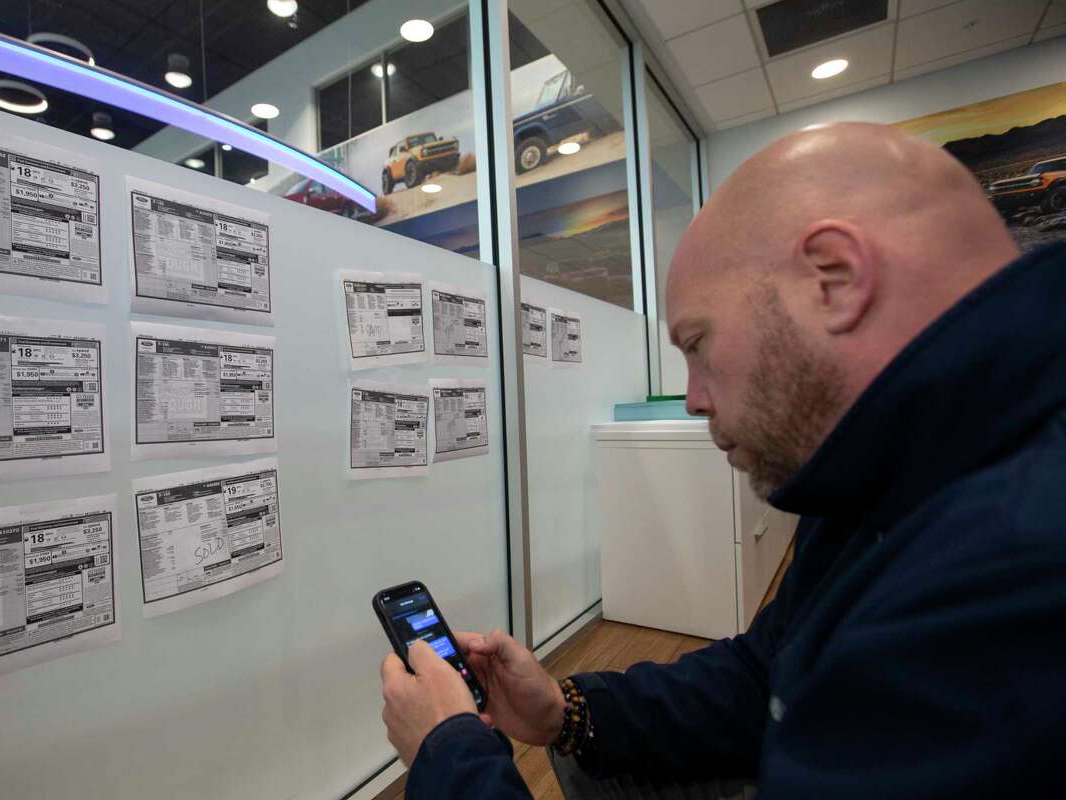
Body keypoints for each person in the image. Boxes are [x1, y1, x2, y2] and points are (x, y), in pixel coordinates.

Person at [379, 122, 1066, 798]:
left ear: (836, 277)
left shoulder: (1015, 569)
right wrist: (563, 707)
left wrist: (450, 759)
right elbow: (766, 673)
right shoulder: (891, 470)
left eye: (700, 345)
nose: (693, 400)